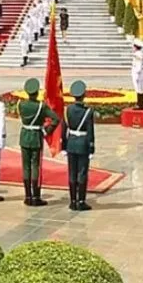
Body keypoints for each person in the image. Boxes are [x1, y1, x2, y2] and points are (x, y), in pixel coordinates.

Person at [17, 78, 60, 207]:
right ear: (36, 92)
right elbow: (55, 118)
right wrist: (47, 130)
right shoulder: (41, 106)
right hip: (36, 136)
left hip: (24, 136)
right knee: (35, 166)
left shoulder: (21, 104)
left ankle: (27, 196)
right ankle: (36, 196)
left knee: (25, 166)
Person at [64, 79, 96, 211]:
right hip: (83, 144)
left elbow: (63, 128)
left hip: (71, 143)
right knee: (82, 173)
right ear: (84, 95)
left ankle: (72, 201)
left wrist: (63, 145)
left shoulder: (68, 109)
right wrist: (91, 147)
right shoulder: (88, 111)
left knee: (72, 172)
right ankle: (81, 201)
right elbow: (90, 131)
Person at [130, 39, 143, 109]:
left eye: (133, 46)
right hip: (139, 73)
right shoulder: (139, 53)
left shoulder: (137, 54)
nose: (132, 48)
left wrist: (137, 74)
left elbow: (138, 65)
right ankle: (140, 104)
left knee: (138, 89)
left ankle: (139, 105)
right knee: (140, 89)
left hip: (137, 73)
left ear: (136, 47)